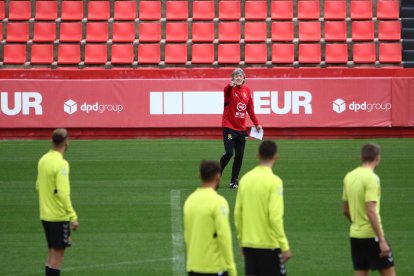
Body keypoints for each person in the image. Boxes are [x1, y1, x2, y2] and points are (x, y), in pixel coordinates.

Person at [234, 140, 292, 276]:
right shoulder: (274, 182)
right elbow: (275, 217)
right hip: (269, 245)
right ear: (276, 157)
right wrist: (284, 246)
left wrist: (242, 240)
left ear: (257, 155)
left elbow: (238, 214)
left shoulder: (245, 179)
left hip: (249, 244)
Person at [342, 143, 396, 276]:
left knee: (361, 272)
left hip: (355, 235)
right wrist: (381, 240)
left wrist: (357, 224)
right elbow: (371, 211)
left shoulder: (349, 176)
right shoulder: (372, 178)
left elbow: (345, 209)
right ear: (378, 158)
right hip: (372, 235)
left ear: (361, 157)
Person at [36, 128, 79, 276]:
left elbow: (38, 186)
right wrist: (72, 216)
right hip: (58, 216)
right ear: (66, 142)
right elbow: (63, 192)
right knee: (57, 257)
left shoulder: (43, 160)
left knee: (51, 253)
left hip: (45, 215)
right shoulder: (62, 164)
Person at [183, 160, 237, 276]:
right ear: (218, 176)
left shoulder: (189, 201)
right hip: (214, 267)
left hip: (193, 267)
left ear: (200, 176)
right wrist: (231, 268)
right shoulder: (219, 202)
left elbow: (188, 236)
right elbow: (224, 237)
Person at [220, 68, 262, 189]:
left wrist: (256, 123)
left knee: (239, 155)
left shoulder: (247, 91)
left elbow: (250, 109)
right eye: (236, 76)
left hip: (241, 129)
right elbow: (226, 90)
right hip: (229, 126)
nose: (238, 78)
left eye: (240, 76)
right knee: (229, 153)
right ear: (232, 79)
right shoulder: (229, 90)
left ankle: (234, 181)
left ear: (244, 79)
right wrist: (229, 85)